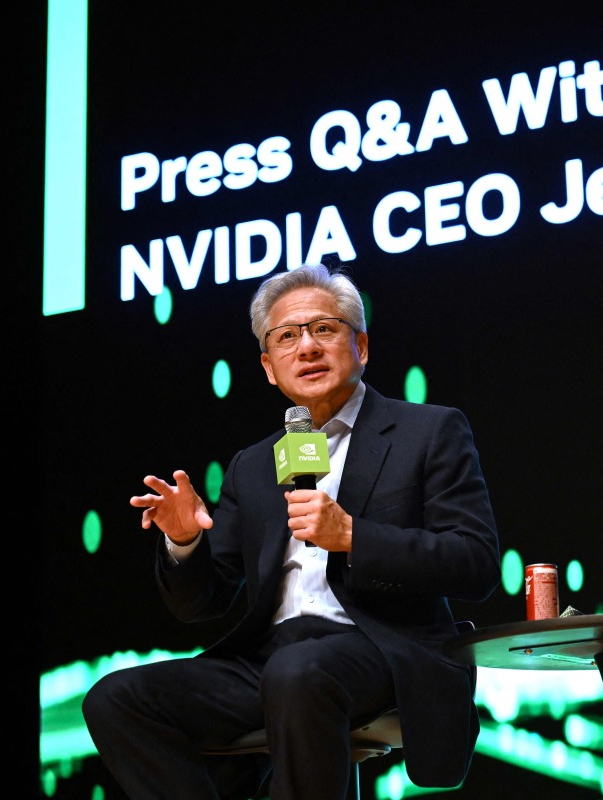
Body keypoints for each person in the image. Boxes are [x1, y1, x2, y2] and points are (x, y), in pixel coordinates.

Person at [82, 263, 501, 799]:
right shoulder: (254, 465)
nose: (306, 347)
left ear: (362, 346)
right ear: (268, 366)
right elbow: (202, 603)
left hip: (379, 647)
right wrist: (184, 543)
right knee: (116, 698)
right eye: (286, 336)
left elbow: (476, 562)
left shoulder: (430, 431)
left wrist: (353, 535)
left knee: (299, 672)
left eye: (323, 329)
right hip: (268, 658)